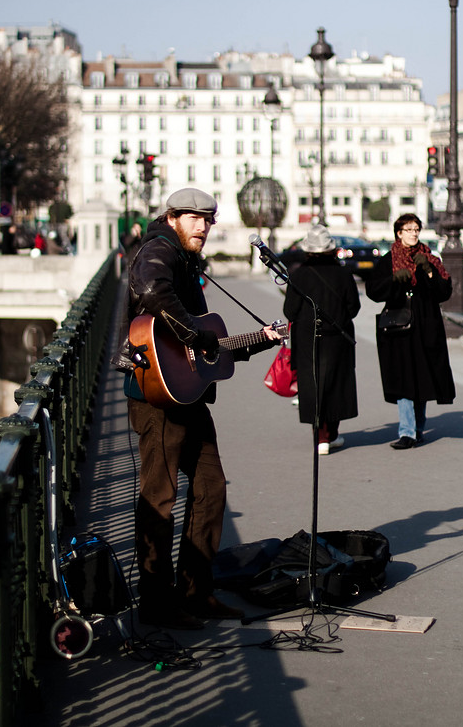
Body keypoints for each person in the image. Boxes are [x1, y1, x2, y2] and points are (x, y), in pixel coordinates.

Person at [125, 188, 282, 629]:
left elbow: (207, 347)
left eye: (209, 220)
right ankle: (156, 604)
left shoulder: (189, 260)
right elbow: (152, 290)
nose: (204, 227)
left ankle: (195, 592)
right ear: (173, 217)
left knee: (211, 488)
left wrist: (257, 341)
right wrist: (196, 336)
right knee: (159, 498)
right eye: (195, 218)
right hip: (157, 397)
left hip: (188, 394)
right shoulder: (159, 249)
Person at [365, 213, 455, 449]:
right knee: (404, 378)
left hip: (426, 323)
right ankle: (407, 432)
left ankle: (417, 428)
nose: (413, 233)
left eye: (416, 229)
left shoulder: (430, 258)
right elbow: (373, 291)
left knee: (422, 377)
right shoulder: (388, 261)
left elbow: (444, 292)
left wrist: (429, 272)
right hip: (399, 326)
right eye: (408, 229)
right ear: (399, 233)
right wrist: (394, 280)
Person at [283, 225, 360, 455]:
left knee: (312, 383)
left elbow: (290, 311)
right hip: (338, 337)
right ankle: (332, 433)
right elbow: (354, 308)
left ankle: (320, 436)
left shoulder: (299, 274)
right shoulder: (343, 273)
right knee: (336, 383)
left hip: (307, 338)